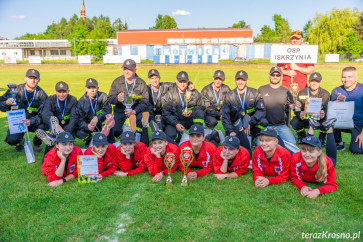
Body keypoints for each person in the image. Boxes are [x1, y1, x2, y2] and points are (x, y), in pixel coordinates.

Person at [0, 69, 48, 152]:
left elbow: (44, 114)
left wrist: (31, 121)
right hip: (18, 121)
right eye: (30, 78)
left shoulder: (42, 94)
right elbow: (1, 105)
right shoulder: (14, 90)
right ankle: (20, 142)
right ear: (25, 78)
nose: (32, 80)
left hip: (33, 122)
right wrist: (6, 103)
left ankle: (37, 143)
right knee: (11, 139)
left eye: (35, 78)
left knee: (45, 125)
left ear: (39, 80)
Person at [222, 70, 268, 154]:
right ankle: (238, 136)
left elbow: (261, 110)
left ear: (247, 80)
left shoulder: (255, 93)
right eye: (238, 80)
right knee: (234, 144)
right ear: (235, 81)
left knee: (264, 122)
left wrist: (250, 122)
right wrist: (230, 130)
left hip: (251, 125)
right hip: (235, 125)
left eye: (243, 80)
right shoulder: (229, 96)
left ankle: (253, 136)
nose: (240, 82)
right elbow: (225, 116)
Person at [290, 118, 338, 199]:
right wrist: (303, 186)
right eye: (303, 150)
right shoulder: (295, 158)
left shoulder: (327, 163)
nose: (307, 154)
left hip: (324, 159)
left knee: (332, 158)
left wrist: (318, 191)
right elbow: (294, 177)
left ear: (319, 152)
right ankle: (311, 127)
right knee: (308, 143)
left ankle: (329, 129)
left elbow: (332, 184)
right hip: (316, 157)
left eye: (311, 151)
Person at [107, 59, 149, 144]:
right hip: (120, 110)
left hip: (135, 110)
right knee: (115, 130)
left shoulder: (141, 83)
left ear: (135, 70)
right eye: (124, 69)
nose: (126, 72)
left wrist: (134, 111)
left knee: (140, 124)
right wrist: (117, 99)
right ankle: (125, 135)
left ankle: (139, 141)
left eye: (129, 69)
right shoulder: (117, 81)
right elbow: (110, 98)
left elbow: (145, 102)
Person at [162, 71, 205, 142]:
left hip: (188, 120)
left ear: (188, 81)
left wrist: (192, 111)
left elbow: (202, 105)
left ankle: (197, 134)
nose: (182, 84)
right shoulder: (169, 94)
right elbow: (166, 113)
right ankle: (179, 136)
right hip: (175, 121)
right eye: (180, 81)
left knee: (200, 113)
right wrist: (176, 124)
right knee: (170, 136)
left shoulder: (194, 92)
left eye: (184, 82)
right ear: (176, 80)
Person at [38, 81, 78, 155]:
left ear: (68, 91)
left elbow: (74, 118)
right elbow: (46, 114)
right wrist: (57, 126)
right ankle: (48, 153)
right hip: (55, 126)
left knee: (68, 139)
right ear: (55, 92)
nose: (62, 94)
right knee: (53, 130)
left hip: (68, 126)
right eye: (59, 92)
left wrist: (65, 132)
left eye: (64, 92)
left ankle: (54, 141)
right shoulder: (50, 99)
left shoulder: (73, 100)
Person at [258, 67, 296, 144]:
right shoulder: (261, 89)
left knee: (292, 144)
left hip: (281, 126)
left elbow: (293, 107)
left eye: (278, 75)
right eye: (273, 74)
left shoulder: (286, 91)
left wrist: (296, 106)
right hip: (266, 126)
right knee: (261, 145)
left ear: (281, 76)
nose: (275, 77)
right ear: (269, 75)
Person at [290, 72, 331, 145]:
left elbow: (328, 108)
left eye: (317, 81)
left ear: (320, 82)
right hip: (306, 118)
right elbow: (297, 107)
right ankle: (302, 136)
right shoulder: (302, 92)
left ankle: (322, 137)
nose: (314, 83)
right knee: (294, 121)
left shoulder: (325, 93)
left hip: (319, 118)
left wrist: (324, 112)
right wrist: (299, 114)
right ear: (309, 81)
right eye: (312, 81)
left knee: (327, 120)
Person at [331, 66, 363, 154]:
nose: (346, 80)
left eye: (350, 77)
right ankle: (339, 143)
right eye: (344, 77)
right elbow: (331, 112)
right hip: (344, 122)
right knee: (330, 120)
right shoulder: (336, 91)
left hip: (359, 123)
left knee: (356, 150)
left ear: (356, 78)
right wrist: (338, 102)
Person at [76, 78, 115, 146]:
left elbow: (108, 111)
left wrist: (97, 117)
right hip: (90, 126)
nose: (92, 90)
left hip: (101, 123)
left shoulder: (103, 96)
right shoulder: (81, 101)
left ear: (97, 88)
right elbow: (80, 119)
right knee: (80, 133)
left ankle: (110, 142)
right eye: (89, 88)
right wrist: (87, 126)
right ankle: (89, 139)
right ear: (86, 89)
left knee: (110, 121)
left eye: (94, 87)